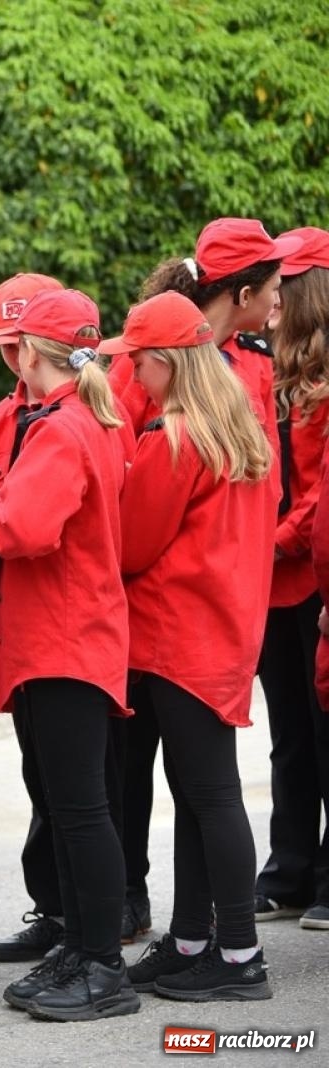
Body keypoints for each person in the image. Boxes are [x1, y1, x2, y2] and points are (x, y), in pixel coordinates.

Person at [0, 289, 138, 1022]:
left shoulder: (63, 427)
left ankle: (101, 966)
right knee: (68, 808)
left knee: (81, 810)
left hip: (63, 638)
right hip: (58, 635)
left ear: (29, 353)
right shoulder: (80, 418)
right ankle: (81, 946)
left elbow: (26, 529)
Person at [100, 293, 276, 1001]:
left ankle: (238, 956)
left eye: (138, 363)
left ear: (166, 363)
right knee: (200, 794)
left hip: (180, 635)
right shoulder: (240, 427)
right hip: (223, 630)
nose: (133, 375)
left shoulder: (172, 439)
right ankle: (194, 938)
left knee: (210, 796)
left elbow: (134, 546)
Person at [0, 272, 75, 965]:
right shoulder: (6, 418)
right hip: (16, 615)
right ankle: (56, 911)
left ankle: (91, 922)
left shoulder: (70, 418)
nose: (12, 359)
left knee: (77, 794)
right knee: (43, 778)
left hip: (60, 619)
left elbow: (28, 522)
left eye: (20, 344)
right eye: (3, 345)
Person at [262, 225, 329, 931]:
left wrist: (273, 541)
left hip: (312, 574)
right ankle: (289, 867)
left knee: (324, 729)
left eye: (282, 283)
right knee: (287, 734)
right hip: (269, 580)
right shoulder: (264, 369)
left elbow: (320, 494)